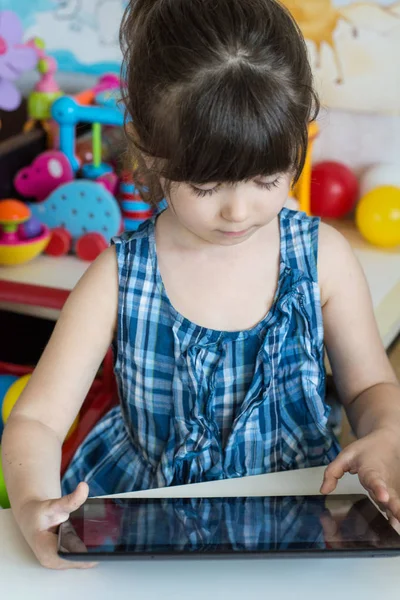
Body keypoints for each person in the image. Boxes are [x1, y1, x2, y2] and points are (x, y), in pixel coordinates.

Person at [2, 0, 400, 571]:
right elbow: (37, 420)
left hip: (298, 516)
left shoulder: (323, 259)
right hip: (148, 518)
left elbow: (368, 390)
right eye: (208, 185)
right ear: (149, 146)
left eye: (268, 177)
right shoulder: (118, 278)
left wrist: (387, 434)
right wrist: (32, 504)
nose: (240, 210)